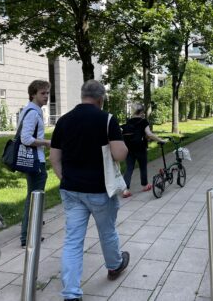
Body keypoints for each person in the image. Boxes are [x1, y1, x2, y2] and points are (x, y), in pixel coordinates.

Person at [50, 80, 130, 301]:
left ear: (82, 95)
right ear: (101, 98)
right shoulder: (107, 120)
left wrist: (65, 178)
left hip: (71, 190)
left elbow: (54, 158)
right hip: (100, 189)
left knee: (73, 240)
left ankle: (71, 293)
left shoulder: (63, 121)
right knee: (107, 231)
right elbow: (120, 154)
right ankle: (114, 266)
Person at [19, 80, 51, 248]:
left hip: (34, 161)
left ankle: (28, 234)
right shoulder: (32, 112)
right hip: (35, 162)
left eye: (47, 93)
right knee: (34, 199)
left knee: (32, 197)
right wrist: (47, 143)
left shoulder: (31, 110)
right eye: (42, 93)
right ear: (33, 94)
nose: (46, 96)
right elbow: (25, 138)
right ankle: (27, 237)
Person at [122, 104, 165, 198]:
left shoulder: (128, 121)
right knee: (142, 167)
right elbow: (149, 134)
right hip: (140, 148)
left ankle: (125, 190)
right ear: (141, 112)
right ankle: (145, 186)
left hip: (129, 148)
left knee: (129, 168)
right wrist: (160, 140)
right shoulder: (143, 121)